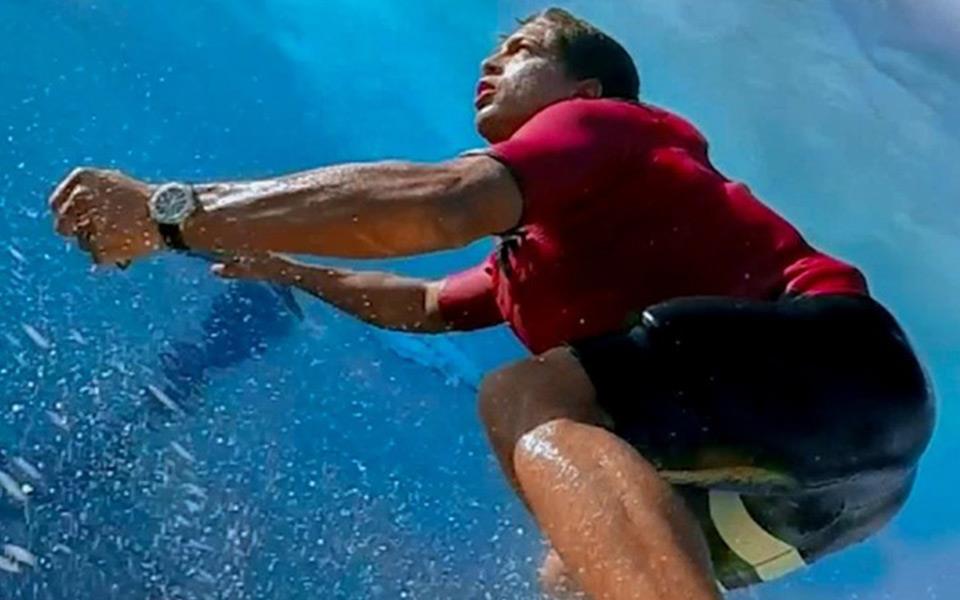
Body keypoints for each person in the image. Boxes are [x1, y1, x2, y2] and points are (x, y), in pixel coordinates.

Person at [47, 7, 934, 599]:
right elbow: (426, 301)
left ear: (583, 91)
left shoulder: (608, 127)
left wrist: (171, 213)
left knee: (525, 398)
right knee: (574, 569)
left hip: (841, 365)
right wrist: (288, 268)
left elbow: (441, 203)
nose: (490, 61)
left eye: (519, 53)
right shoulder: (532, 263)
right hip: (832, 498)